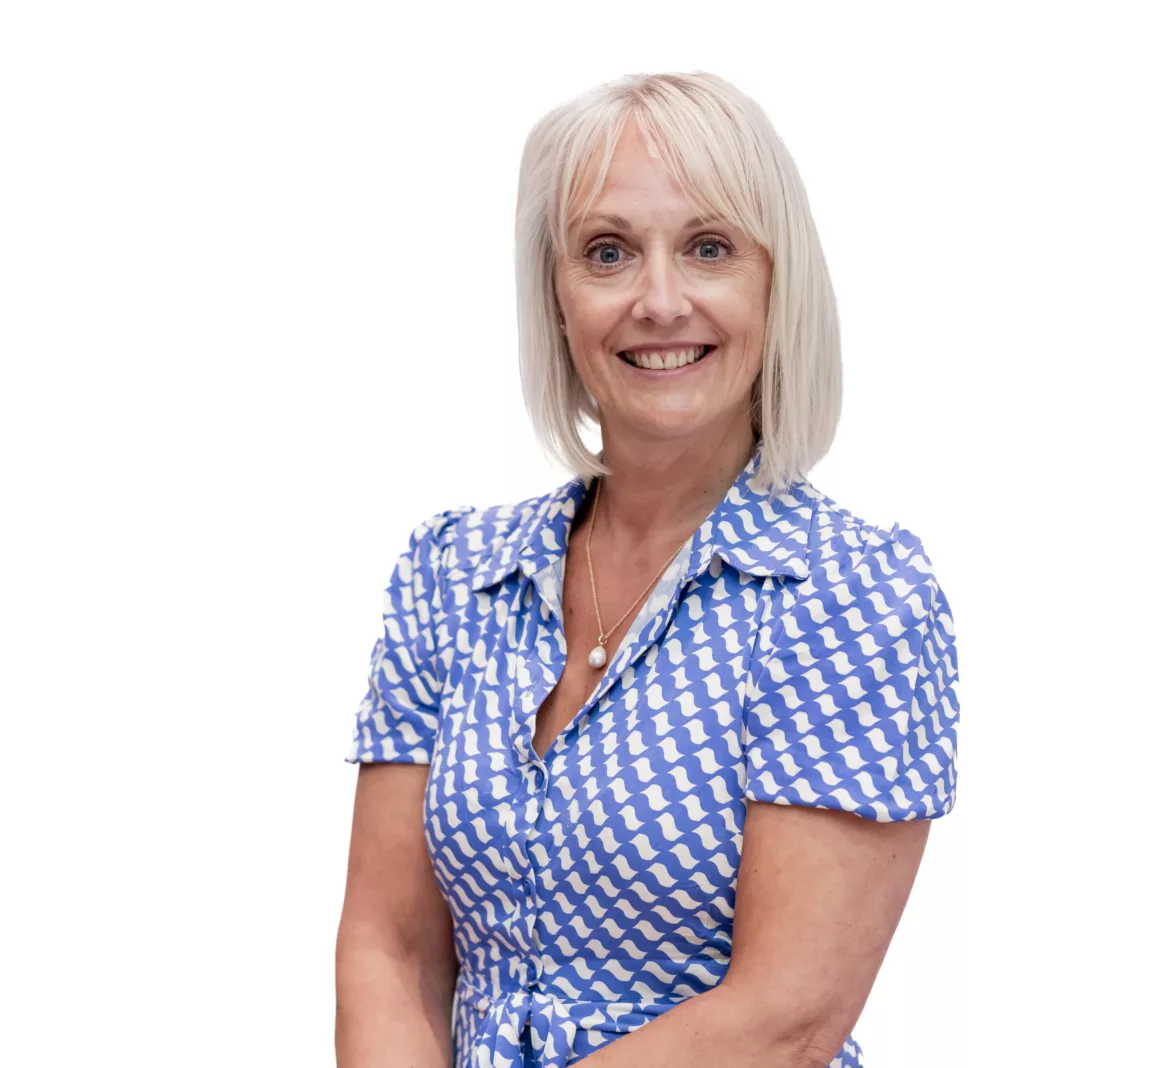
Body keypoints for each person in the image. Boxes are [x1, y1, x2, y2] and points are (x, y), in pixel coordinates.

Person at [334, 71, 960, 1068]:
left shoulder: (847, 597)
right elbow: (390, 948)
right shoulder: (451, 577)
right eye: (607, 253)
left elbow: (783, 1020)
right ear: (557, 295)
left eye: (708, 248)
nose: (658, 300)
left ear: (775, 281)